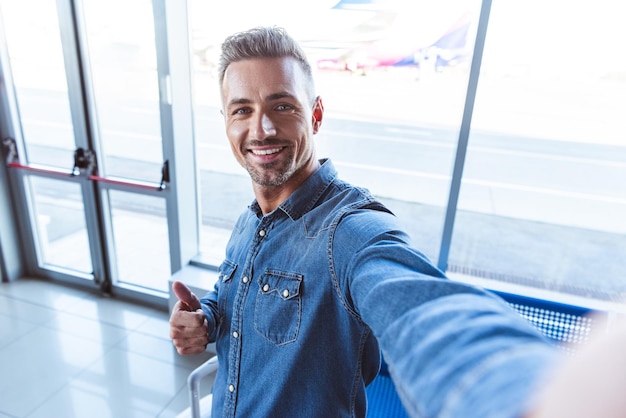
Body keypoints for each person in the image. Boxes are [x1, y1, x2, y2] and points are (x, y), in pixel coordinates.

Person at [169, 26, 560, 418]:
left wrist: (528, 397)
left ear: (316, 115)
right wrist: (207, 316)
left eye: (282, 106)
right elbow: (233, 295)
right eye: (242, 110)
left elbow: (420, 309)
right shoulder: (249, 221)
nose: (262, 128)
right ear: (227, 122)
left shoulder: (348, 232)